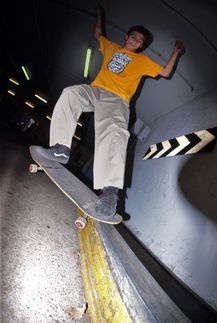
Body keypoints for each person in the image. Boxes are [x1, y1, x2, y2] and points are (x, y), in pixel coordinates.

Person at [38, 8, 184, 219]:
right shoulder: (111, 47)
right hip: (96, 90)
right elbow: (98, 35)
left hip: (118, 100)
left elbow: (165, 72)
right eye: (133, 37)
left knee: (114, 133)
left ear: (141, 46)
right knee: (71, 93)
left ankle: (109, 192)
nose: (135, 41)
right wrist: (100, 16)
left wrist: (175, 52)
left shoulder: (142, 62)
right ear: (126, 37)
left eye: (139, 41)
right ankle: (61, 148)